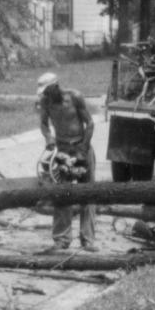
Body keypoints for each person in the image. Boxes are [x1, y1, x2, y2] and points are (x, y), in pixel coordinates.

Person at [35, 71, 97, 249]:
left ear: (56, 86)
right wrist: (49, 139)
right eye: (44, 92)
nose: (46, 95)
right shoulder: (46, 102)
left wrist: (83, 149)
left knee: (88, 193)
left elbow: (90, 123)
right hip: (62, 149)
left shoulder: (74, 97)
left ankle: (88, 239)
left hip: (81, 145)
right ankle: (62, 239)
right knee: (62, 194)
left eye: (48, 91)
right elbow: (44, 123)